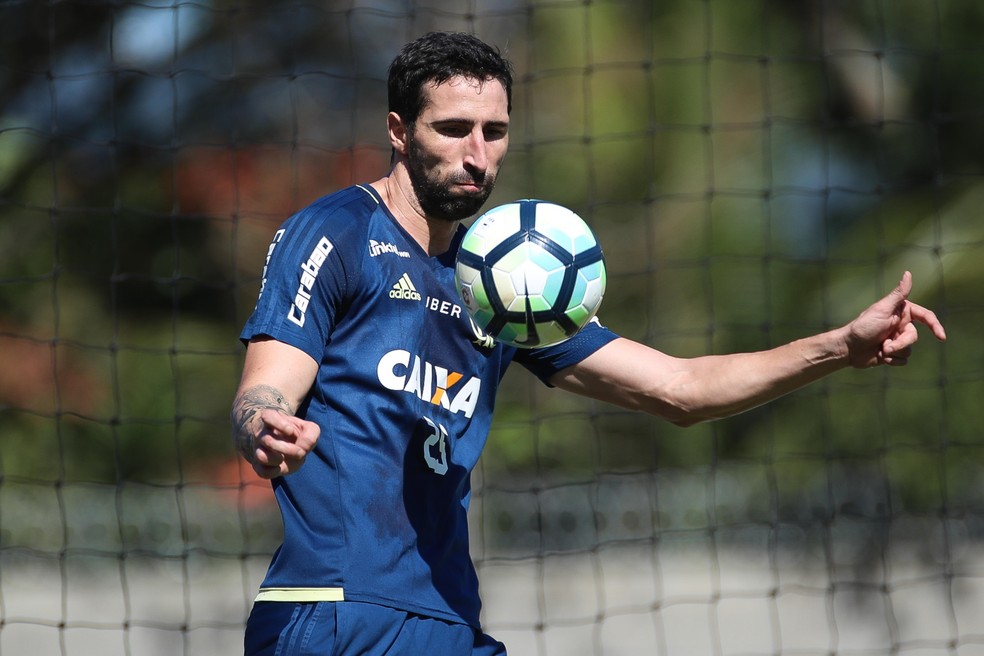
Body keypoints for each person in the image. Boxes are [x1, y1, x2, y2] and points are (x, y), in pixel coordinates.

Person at [230, 31, 947, 656]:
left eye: (496, 131)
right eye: (453, 129)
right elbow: (266, 387)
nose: (478, 153)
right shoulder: (337, 233)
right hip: (332, 614)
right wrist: (266, 426)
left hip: (447, 618)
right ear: (399, 130)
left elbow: (681, 391)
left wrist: (839, 348)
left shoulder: (506, 279)